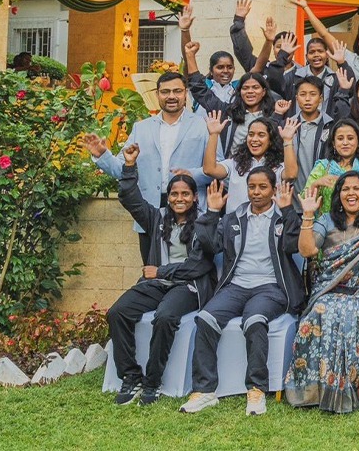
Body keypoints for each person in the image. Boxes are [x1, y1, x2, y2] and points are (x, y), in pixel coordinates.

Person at [181, 171, 304, 416]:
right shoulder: (233, 218)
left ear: (273, 189)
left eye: (262, 187)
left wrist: (289, 210)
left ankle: (256, 388)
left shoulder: (282, 217)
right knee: (205, 318)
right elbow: (210, 245)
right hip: (236, 286)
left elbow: (294, 245)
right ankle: (204, 391)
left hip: (271, 287)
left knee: (254, 320)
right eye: (251, 187)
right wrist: (213, 213)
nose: (256, 192)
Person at [107, 144, 216, 407]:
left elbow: (198, 265)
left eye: (186, 194)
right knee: (117, 312)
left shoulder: (203, 223)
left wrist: (161, 271)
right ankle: (131, 376)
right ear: (168, 197)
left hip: (188, 287)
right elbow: (130, 199)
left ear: (194, 197)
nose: (180, 198)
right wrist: (130, 166)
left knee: (165, 317)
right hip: (156, 283)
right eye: (174, 194)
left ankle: (152, 381)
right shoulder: (157, 218)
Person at [285, 174, 359, 413]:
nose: (351, 193)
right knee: (321, 312)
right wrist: (308, 214)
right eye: (345, 189)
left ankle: (353, 386)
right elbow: (307, 250)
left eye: (357, 189)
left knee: (358, 313)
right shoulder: (327, 221)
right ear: (338, 194)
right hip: (331, 286)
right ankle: (313, 390)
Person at [84, 72, 211, 264]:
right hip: (149, 212)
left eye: (177, 91)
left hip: (189, 209)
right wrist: (102, 155)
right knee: (151, 270)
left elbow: (215, 169)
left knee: (190, 270)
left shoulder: (202, 126)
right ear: (157, 94)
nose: (171, 96)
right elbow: (123, 170)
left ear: (185, 93)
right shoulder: (141, 128)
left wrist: (191, 175)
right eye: (165, 91)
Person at [186, 39, 278, 157]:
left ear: (264, 91)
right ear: (239, 91)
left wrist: (269, 41)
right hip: (234, 168)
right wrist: (190, 55)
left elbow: (258, 69)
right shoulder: (229, 112)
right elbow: (199, 89)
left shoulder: (273, 114)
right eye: (246, 88)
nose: (250, 91)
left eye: (255, 87)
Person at [202, 113, 298, 210]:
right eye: (251, 135)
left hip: (269, 222)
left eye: (261, 135)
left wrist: (288, 140)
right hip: (236, 223)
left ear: (270, 140)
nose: (254, 139)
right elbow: (209, 169)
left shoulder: (277, 166)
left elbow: (291, 175)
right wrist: (214, 135)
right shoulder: (235, 163)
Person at [303, 119, 359, 216]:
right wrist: (317, 184)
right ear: (333, 144)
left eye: (350, 138)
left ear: (358, 143)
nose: (345, 143)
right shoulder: (322, 167)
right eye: (340, 139)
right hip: (328, 226)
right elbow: (305, 201)